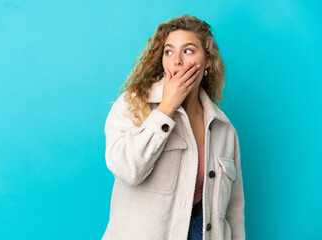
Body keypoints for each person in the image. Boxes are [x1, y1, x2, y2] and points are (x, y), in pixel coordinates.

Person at [102, 14, 245, 240]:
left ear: (207, 61)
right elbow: (127, 170)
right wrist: (166, 108)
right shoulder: (133, 105)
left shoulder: (224, 129)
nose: (176, 60)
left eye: (187, 51)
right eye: (169, 52)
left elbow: (234, 210)